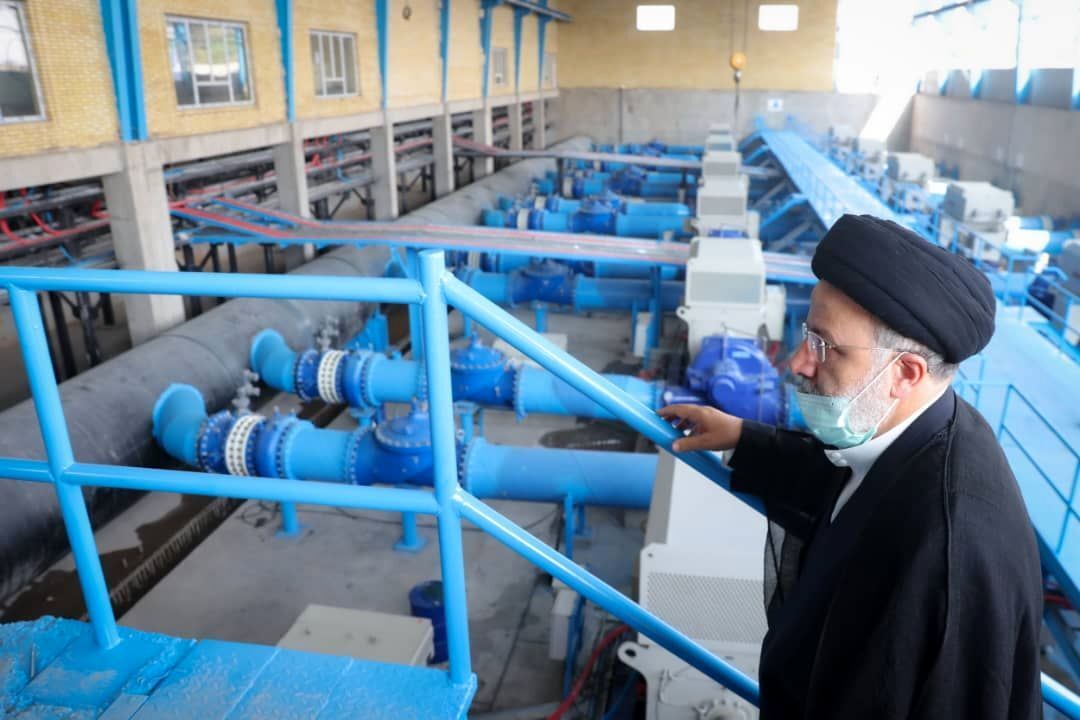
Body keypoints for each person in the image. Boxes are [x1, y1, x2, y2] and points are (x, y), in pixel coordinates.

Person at [659, 214, 1043, 719]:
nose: (798, 362)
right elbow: (854, 486)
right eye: (807, 335)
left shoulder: (951, 556)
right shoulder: (922, 429)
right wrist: (745, 439)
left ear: (905, 373)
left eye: (824, 346)